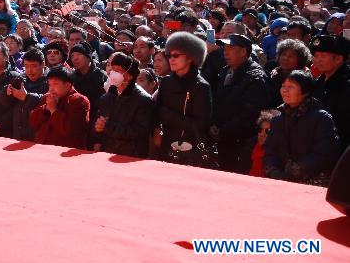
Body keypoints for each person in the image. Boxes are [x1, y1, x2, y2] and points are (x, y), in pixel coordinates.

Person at [264, 70, 341, 184]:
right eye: (283, 86)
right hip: (281, 180)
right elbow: (270, 150)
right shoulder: (277, 119)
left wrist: (295, 172)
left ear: (305, 92)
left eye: (291, 86)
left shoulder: (321, 118)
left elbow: (324, 153)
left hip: (313, 181)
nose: (285, 90)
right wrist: (274, 172)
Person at [210, 34, 270, 173]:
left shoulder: (255, 77)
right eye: (225, 48)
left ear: (243, 51)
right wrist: (214, 124)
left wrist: (223, 130)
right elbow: (219, 101)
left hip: (243, 143)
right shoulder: (226, 70)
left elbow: (250, 114)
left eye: (230, 48)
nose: (225, 52)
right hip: (225, 139)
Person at [156, 33, 213, 166]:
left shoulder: (201, 86)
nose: (171, 59)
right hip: (166, 145)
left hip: (191, 150)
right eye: (169, 55)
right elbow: (157, 112)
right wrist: (156, 129)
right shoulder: (166, 82)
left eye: (176, 55)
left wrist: (167, 115)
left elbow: (200, 124)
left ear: (190, 57)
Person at [91, 52, 155, 158]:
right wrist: (97, 139)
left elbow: (140, 131)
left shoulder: (143, 100)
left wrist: (108, 127)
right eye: (112, 69)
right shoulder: (106, 98)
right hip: (107, 153)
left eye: (118, 70)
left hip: (131, 155)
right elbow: (98, 123)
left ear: (130, 75)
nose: (113, 73)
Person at [29, 65, 90, 149]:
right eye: (50, 85)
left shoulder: (79, 101)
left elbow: (68, 129)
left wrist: (53, 110)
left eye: (55, 84)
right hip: (42, 148)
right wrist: (45, 108)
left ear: (67, 85)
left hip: (64, 150)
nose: (51, 89)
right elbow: (33, 122)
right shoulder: (47, 97)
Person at [309, 34, 350, 150]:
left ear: (338, 59)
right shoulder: (320, 81)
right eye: (315, 55)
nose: (317, 60)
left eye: (323, 55)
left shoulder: (346, 85)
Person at [0, 47, 48, 141]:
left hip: (40, 136)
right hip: (19, 134)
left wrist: (27, 97)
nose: (29, 70)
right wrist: (6, 92)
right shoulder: (20, 79)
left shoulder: (51, 80)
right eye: (26, 66)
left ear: (43, 64)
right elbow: (4, 102)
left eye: (33, 66)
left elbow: (49, 100)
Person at [69, 41, 106, 121]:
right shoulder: (72, 77)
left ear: (88, 57)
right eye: (72, 56)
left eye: (79, 54)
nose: (75, 58)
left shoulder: (101, 76)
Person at [249, 110, 279, 177]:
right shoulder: (251, 147)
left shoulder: (279, 153)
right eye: (260, 129)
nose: (262, 134)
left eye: (267, 131)